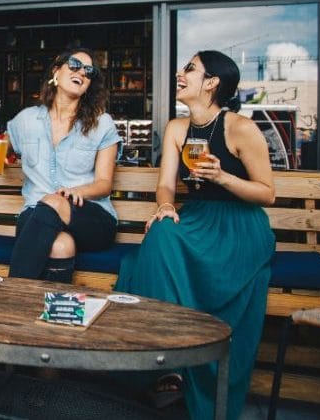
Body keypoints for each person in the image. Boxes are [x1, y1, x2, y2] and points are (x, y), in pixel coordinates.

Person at [116, 50, 275, 420]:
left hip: (239, 226)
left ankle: (184, 366)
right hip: (197, 218)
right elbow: (165, 186)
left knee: (150, 252)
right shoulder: (177, 128)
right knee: (161, 234)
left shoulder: (240, 127)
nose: (179, 73)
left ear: (212, 82)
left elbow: (267, 192)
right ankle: (162, 362)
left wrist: (223, 177)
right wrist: (166, 205)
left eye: (189, 68)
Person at [6, 48, 120, 284]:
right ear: (57, 70)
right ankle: (53, 314)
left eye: (89, 71)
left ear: (89, 85)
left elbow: (104, 184)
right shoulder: (26, 120)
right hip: (36, 215)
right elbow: (1, 145)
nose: (82, 72)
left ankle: (11, 295)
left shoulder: (102, 124)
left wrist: (77, 191)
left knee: (55, 200)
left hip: (88, 216)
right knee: (60, 245)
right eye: (75, 64)